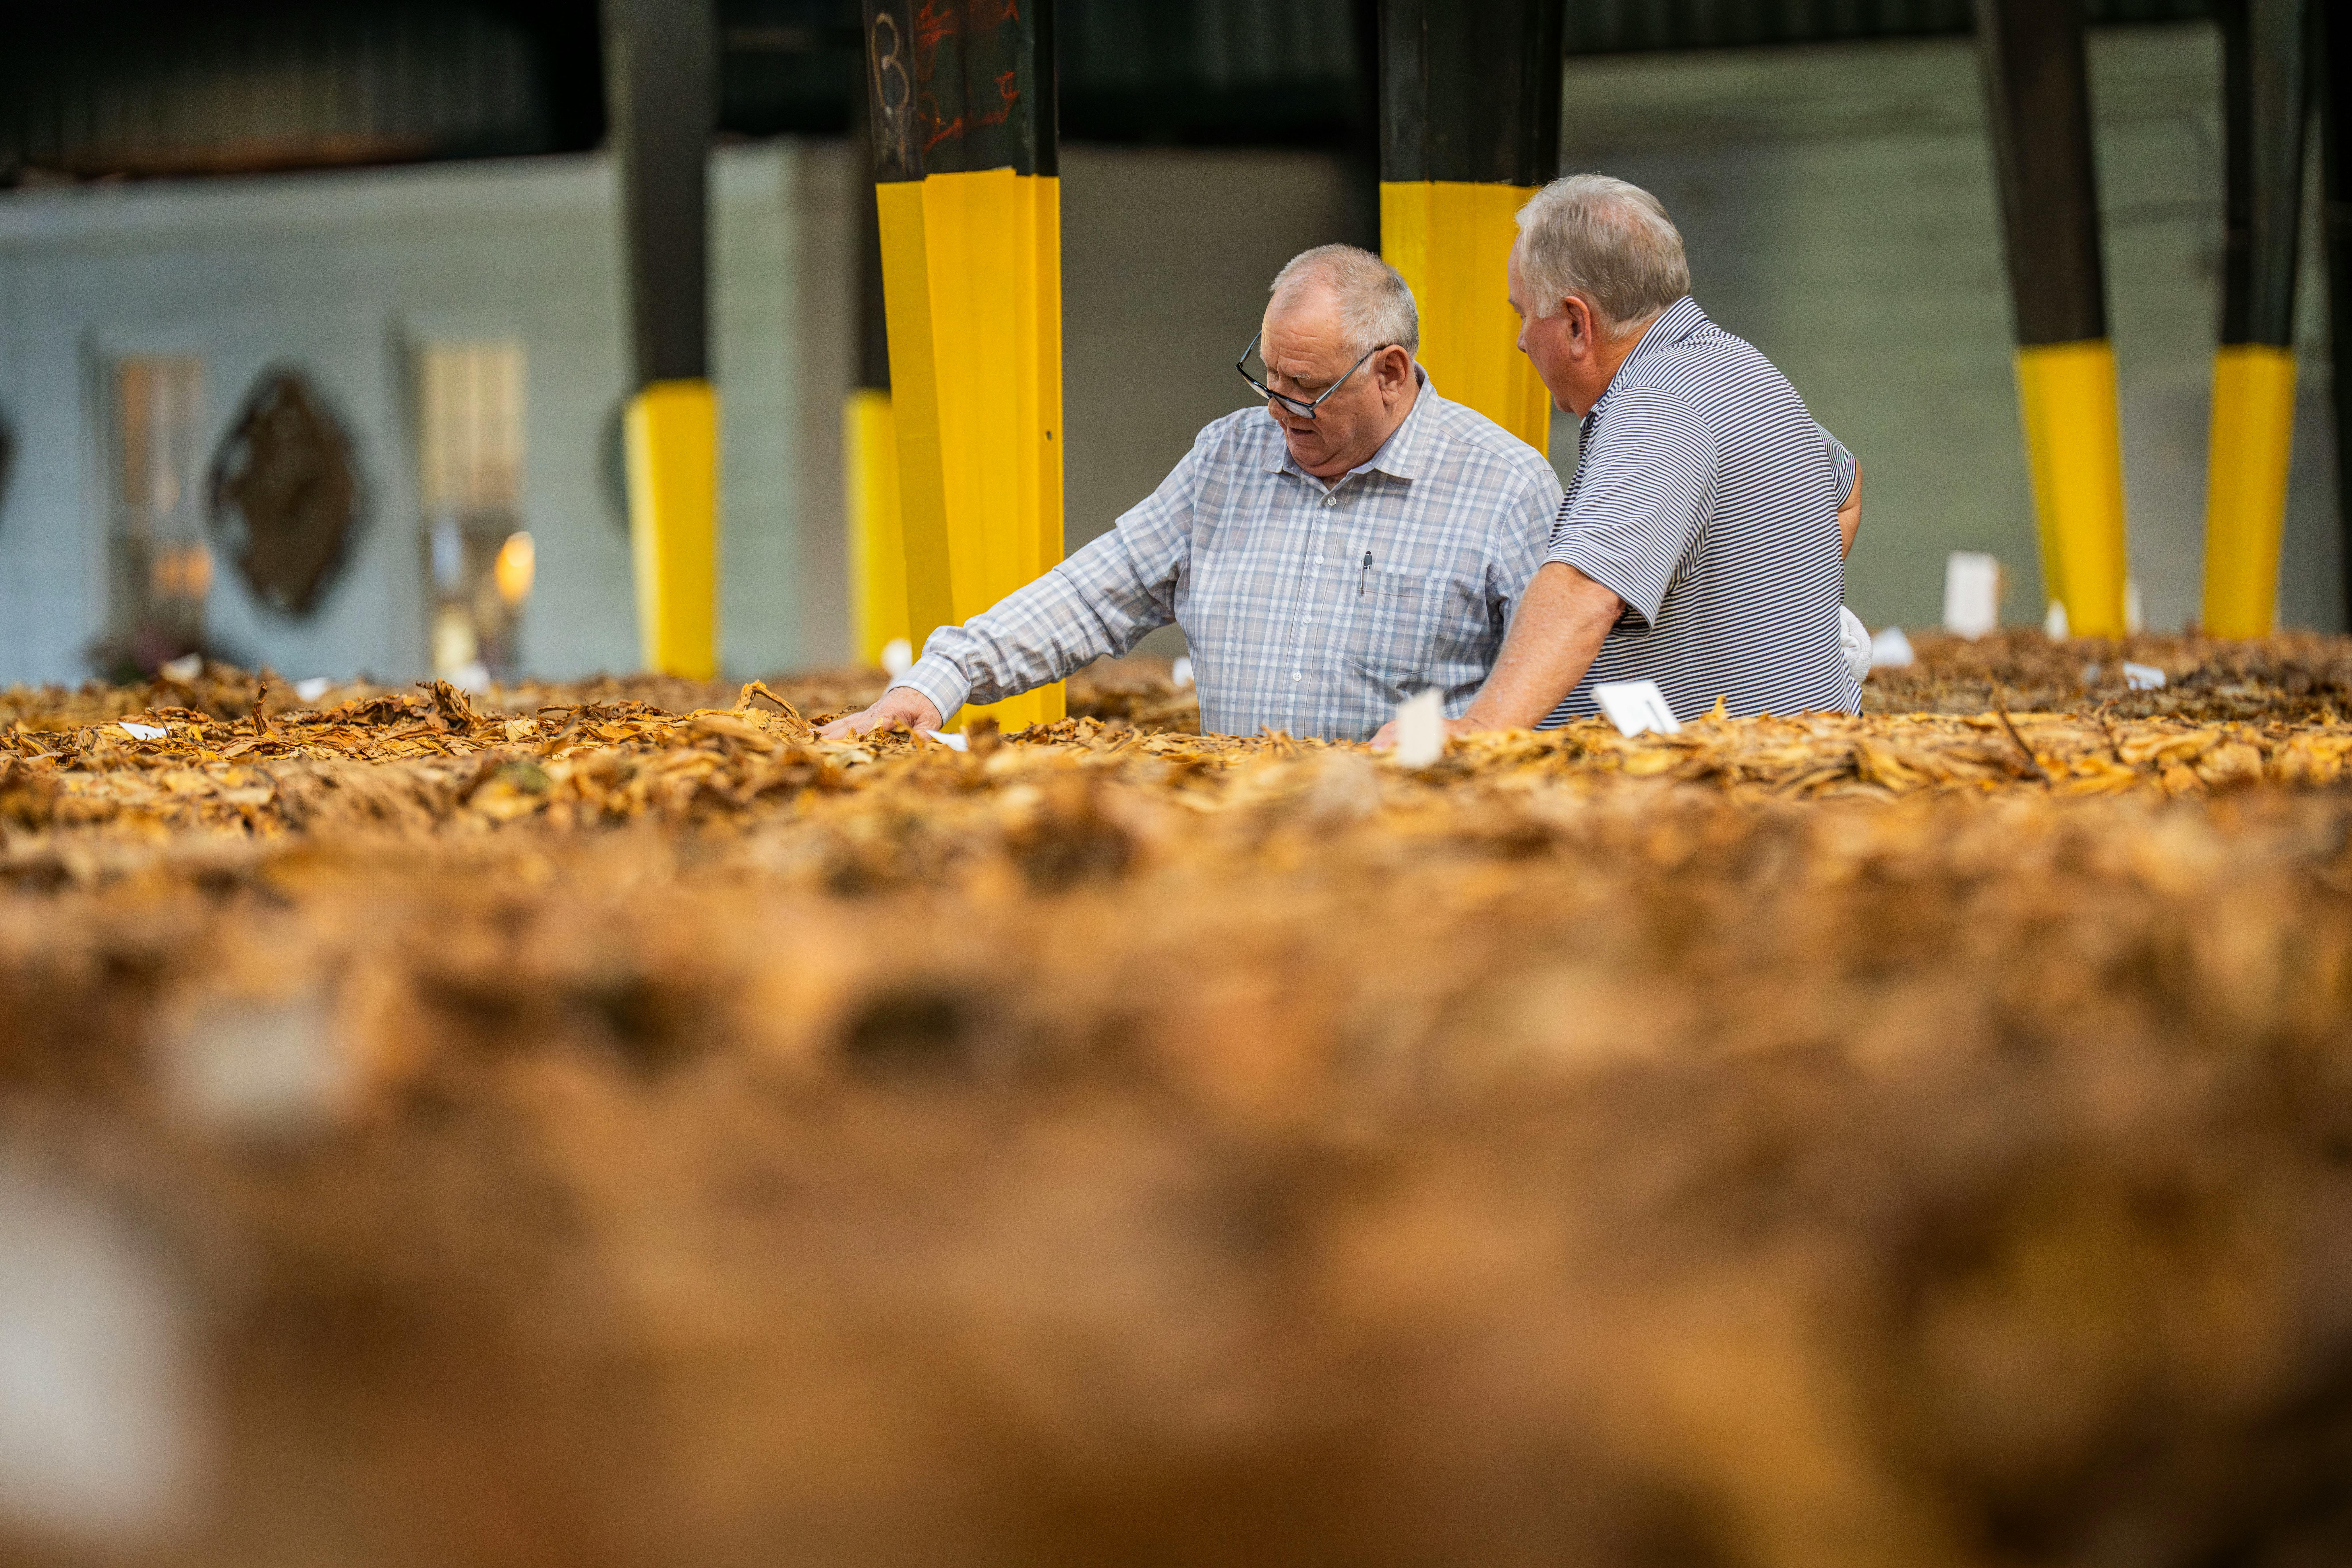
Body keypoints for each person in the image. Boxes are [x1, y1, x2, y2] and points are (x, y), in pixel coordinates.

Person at [820, 244, 1564, 744]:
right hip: (1232, 852)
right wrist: (940, 679)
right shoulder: (1227, 461)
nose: (1278, 409)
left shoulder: (1503, 488)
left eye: (1306, 389)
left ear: (1392, 374)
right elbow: (1090, 594)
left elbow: (1564, 686)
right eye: (1268, 377)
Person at [1376, 174, 1858, 749]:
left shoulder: (1654, 412)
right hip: (1803, 755)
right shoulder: (1742, 369)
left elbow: (1586, 587)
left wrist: (1478, 731)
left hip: (1724, 791)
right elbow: (1846, 489)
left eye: (1524, 314)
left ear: (1578, 324)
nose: (1522, 340)